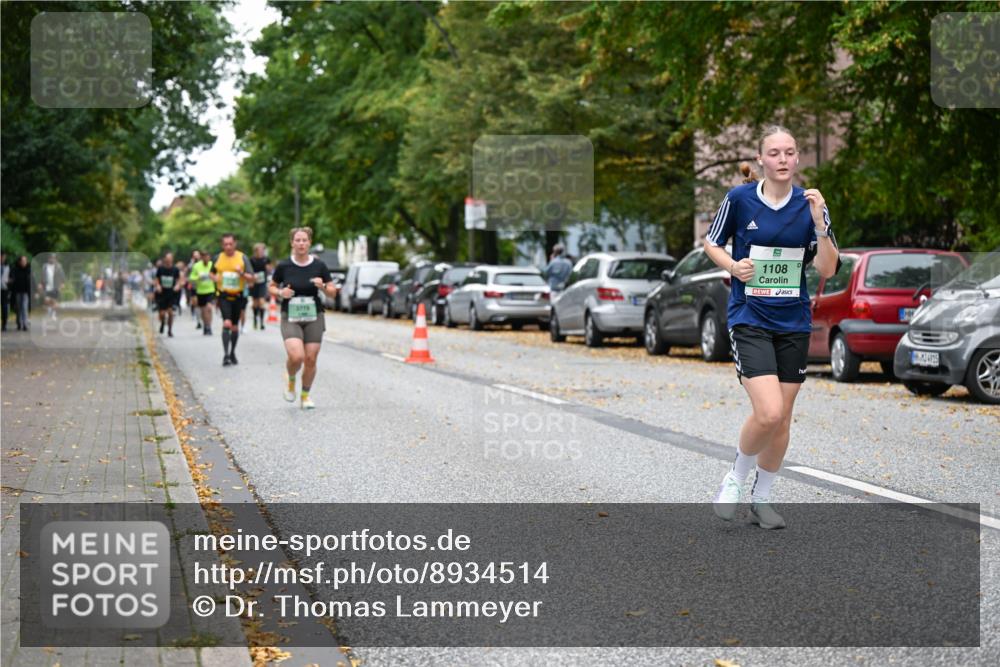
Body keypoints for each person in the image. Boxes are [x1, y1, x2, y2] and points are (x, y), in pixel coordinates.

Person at [704, 125, 839, 529]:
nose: (783, 159)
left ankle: (762, 500)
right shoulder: (740, 199)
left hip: (793, 320)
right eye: (775, 153)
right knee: (769, 412)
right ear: (761, 160)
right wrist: (733, 266)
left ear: (798, 160)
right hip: (750, 317)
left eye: (790, 153)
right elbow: (710, 242)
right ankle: (735, 478)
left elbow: (828, 268)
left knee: (783, 418)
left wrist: (819, 223)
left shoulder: (812, 205)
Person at [269, 227, 338, 409]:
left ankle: (305, 396)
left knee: (311, 359)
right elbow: (272, 287)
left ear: (309, 243)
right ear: (292, 243)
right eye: (297, 240)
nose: (301, 243)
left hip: (314, 315)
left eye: (304, 240)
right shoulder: (284, 266)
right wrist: (280, 292)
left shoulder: (319, 266)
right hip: (290, 315)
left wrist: (322, 285)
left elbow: (333, 293)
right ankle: (291, 380)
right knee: (296, 356)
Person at [210, 234, 255, 366]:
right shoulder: (218, 258)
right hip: (224, 296)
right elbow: (211, 273)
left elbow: (252, 278)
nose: (228, 247)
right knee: (227, 324)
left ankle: (232, 352)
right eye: (225, 244)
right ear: (222, 245)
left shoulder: (242, 258)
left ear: (235, 244)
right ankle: (225, 355)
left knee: (235, 327)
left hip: (238, 296)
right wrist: (215, 278)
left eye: (230, 244)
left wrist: (241, 273)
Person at [154, 252, 183, 337]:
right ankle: (162, 322)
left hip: (171, 293)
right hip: (162, 293)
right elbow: (156, 279)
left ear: (172, 259)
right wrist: (158, 286)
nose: (168, 261)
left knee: (170, 313)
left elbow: (179, 280)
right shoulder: (160, 269)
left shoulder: (175, 269)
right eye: (167, 259)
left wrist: (177, 286)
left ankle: (170, 330)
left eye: (170, 259)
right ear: (165, 259)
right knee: (162, 313)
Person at [189, 250, 216, 335]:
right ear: (201, 257)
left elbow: (217, 275)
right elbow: (191, 278)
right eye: (203, 256)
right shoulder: (196, 266)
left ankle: (209, 326)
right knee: (203, 310)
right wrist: (198, 277)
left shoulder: (212, 265)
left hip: (210, 290)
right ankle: (205, 325)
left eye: (207, 256)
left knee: (209, 308)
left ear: (209, 257)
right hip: (200, 291)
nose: (205, 258)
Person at [249, 243, 270, 330]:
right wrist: (251, 279)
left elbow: (269, 269)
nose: (261, 252)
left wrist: (268, 268)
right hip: (254, 283)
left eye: (263, 250)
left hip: (262, 282)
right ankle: (255, 319)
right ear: (256, 251)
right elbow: (249, 270)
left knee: (261, 302)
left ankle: (261, 322)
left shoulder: (266, 259)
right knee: (255, 303)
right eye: (259, 250)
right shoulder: (252, 259)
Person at [38, 253, 65, 320]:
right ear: (48, 259)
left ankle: (53, 314)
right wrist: (40, 283)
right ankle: (50, 309)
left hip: (55, 286)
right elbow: (42, 275)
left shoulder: (59, 266)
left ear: (55, 259)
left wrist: (62, 284)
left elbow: (62, 275)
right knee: (47, 300)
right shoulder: (45, 266)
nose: (52, 259)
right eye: (50, 258)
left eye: (53, 258)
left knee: (54, 301)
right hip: (46, 285)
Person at [10, 255, 31, 330]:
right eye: (22, 261)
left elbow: (32, 280)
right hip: (17, 292)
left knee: (25, 307)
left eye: (25, 261)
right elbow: (11, 279)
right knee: (18, 308)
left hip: (26, 292)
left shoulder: (29, 269)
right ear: (19, 262)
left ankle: (25, 324)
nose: (24, 262)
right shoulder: (15, 269)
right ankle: (19, 323)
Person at [1, 252, 9, 331]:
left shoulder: (7, 266)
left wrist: (10, 281)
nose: (2, 259)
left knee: (4, 307)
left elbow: (12, 277)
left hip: (4, 289)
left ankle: (4, 324)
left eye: (3, 257)